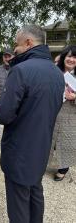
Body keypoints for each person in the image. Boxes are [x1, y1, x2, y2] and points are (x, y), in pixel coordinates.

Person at [0, 25, 65, 223]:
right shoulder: (57, 73)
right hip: (41, 148)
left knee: (18, 203)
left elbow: (3, 115)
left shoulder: (20, 71)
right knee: (35, 193)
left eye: (16, 45)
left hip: (19, 151)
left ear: (28, 42)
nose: (14, 50)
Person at [50, 45, 76, 181]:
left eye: (74, 57)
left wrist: (75, 97)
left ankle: (63, 168)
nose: (71, 59)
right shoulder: (54, 72)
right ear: (64, 57)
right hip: (52, 112)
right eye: (69, 56)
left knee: (67, 142)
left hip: (72, 115)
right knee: (49, 140)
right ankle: (44, 162)